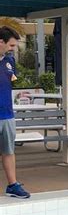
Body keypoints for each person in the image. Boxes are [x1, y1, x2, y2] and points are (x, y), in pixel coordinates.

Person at [0, 26, 30, 198]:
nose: (13, 49)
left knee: (9, 151)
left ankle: (12, 185)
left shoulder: (9, 62)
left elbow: (10, 82)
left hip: (7, 116)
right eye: (11, 45)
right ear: (1, 42)